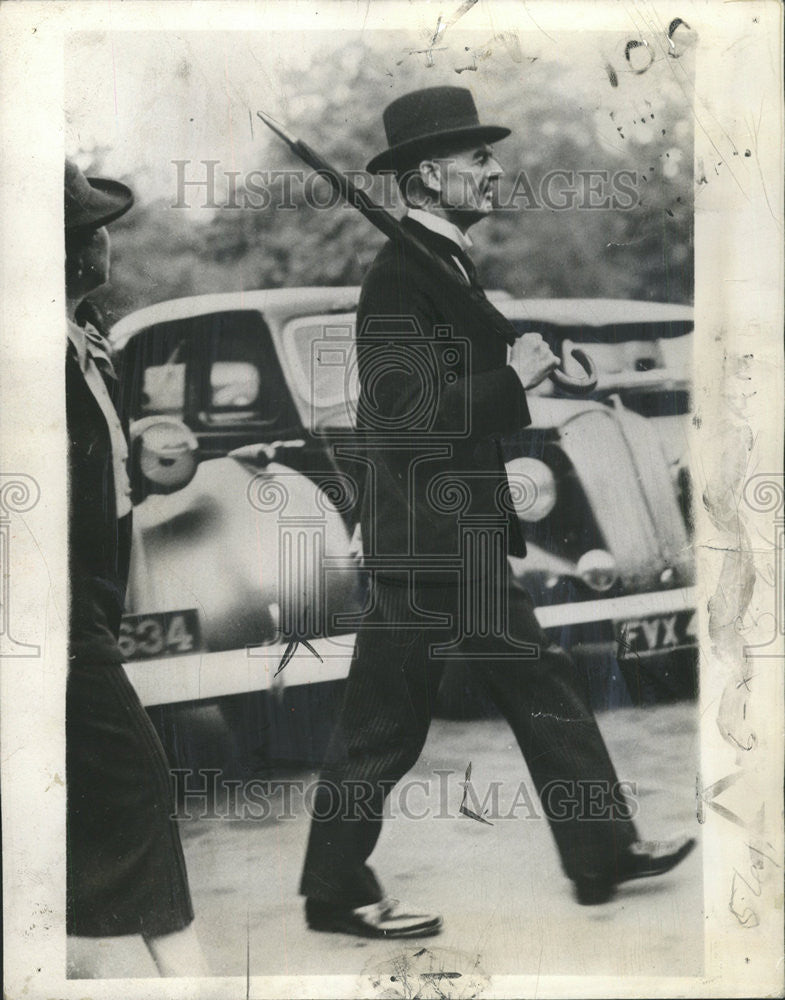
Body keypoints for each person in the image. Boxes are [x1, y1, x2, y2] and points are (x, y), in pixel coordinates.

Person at [298, 87, 695, 938]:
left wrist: (532, 369)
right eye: (478, 159)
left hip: (462, 535)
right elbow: (401, 416)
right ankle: (333, 890)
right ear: (428, 177)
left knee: (537, 680)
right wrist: (513, 377)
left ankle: (600, 855)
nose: (495, 170)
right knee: (383, 727)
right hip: (423, 544)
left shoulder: (443, 264)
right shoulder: (396, 278)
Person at [64, 158, 208, 976]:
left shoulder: (88, 342)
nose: (107, 241)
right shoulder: (33, 357)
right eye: (92, 229)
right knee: (143, 790)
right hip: (60, 618)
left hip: (94, 603)